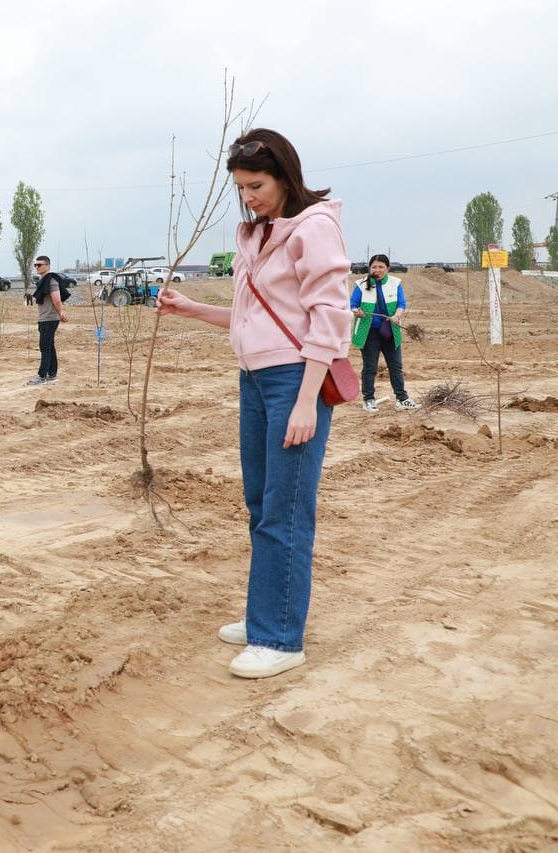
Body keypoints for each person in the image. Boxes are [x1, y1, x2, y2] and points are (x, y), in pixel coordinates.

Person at [156, 128, 350, 680]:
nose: (249, 197)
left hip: (296, 381)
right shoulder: (258, 232)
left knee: (285, 508)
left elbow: (330, 317)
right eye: (241, 188)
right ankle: (268, 610)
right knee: (261, 502)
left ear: (286, 175)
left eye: (257, 185)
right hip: (256, 378)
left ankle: (281, 637)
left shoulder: (314, 228)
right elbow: (254, 317)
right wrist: (193, 309)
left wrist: (308, 400)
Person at [351, 254, 419, 412]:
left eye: (381, 267)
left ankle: (402, 399)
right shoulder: (361, 284)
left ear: (387, 268)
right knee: (370, 367)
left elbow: (401, 304)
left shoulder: (395, 284)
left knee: (396, 366)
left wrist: (397, 315)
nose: (377, 270)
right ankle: (369, 399)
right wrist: (357, 311)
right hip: (369, 332)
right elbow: (352, 305)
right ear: (370, 268)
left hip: (390, 331)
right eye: (374, 267)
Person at [28, 255, 69, 385]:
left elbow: (56, 299)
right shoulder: (44, 281)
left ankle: (42, 376)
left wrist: (60, 312)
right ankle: (52, 374)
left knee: (44, 347)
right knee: (50, 346)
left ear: (47, 265)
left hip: (49, 319)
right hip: (45, 318)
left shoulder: (51, 281)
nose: (37, 267)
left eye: (39, 265)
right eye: (35, 265)